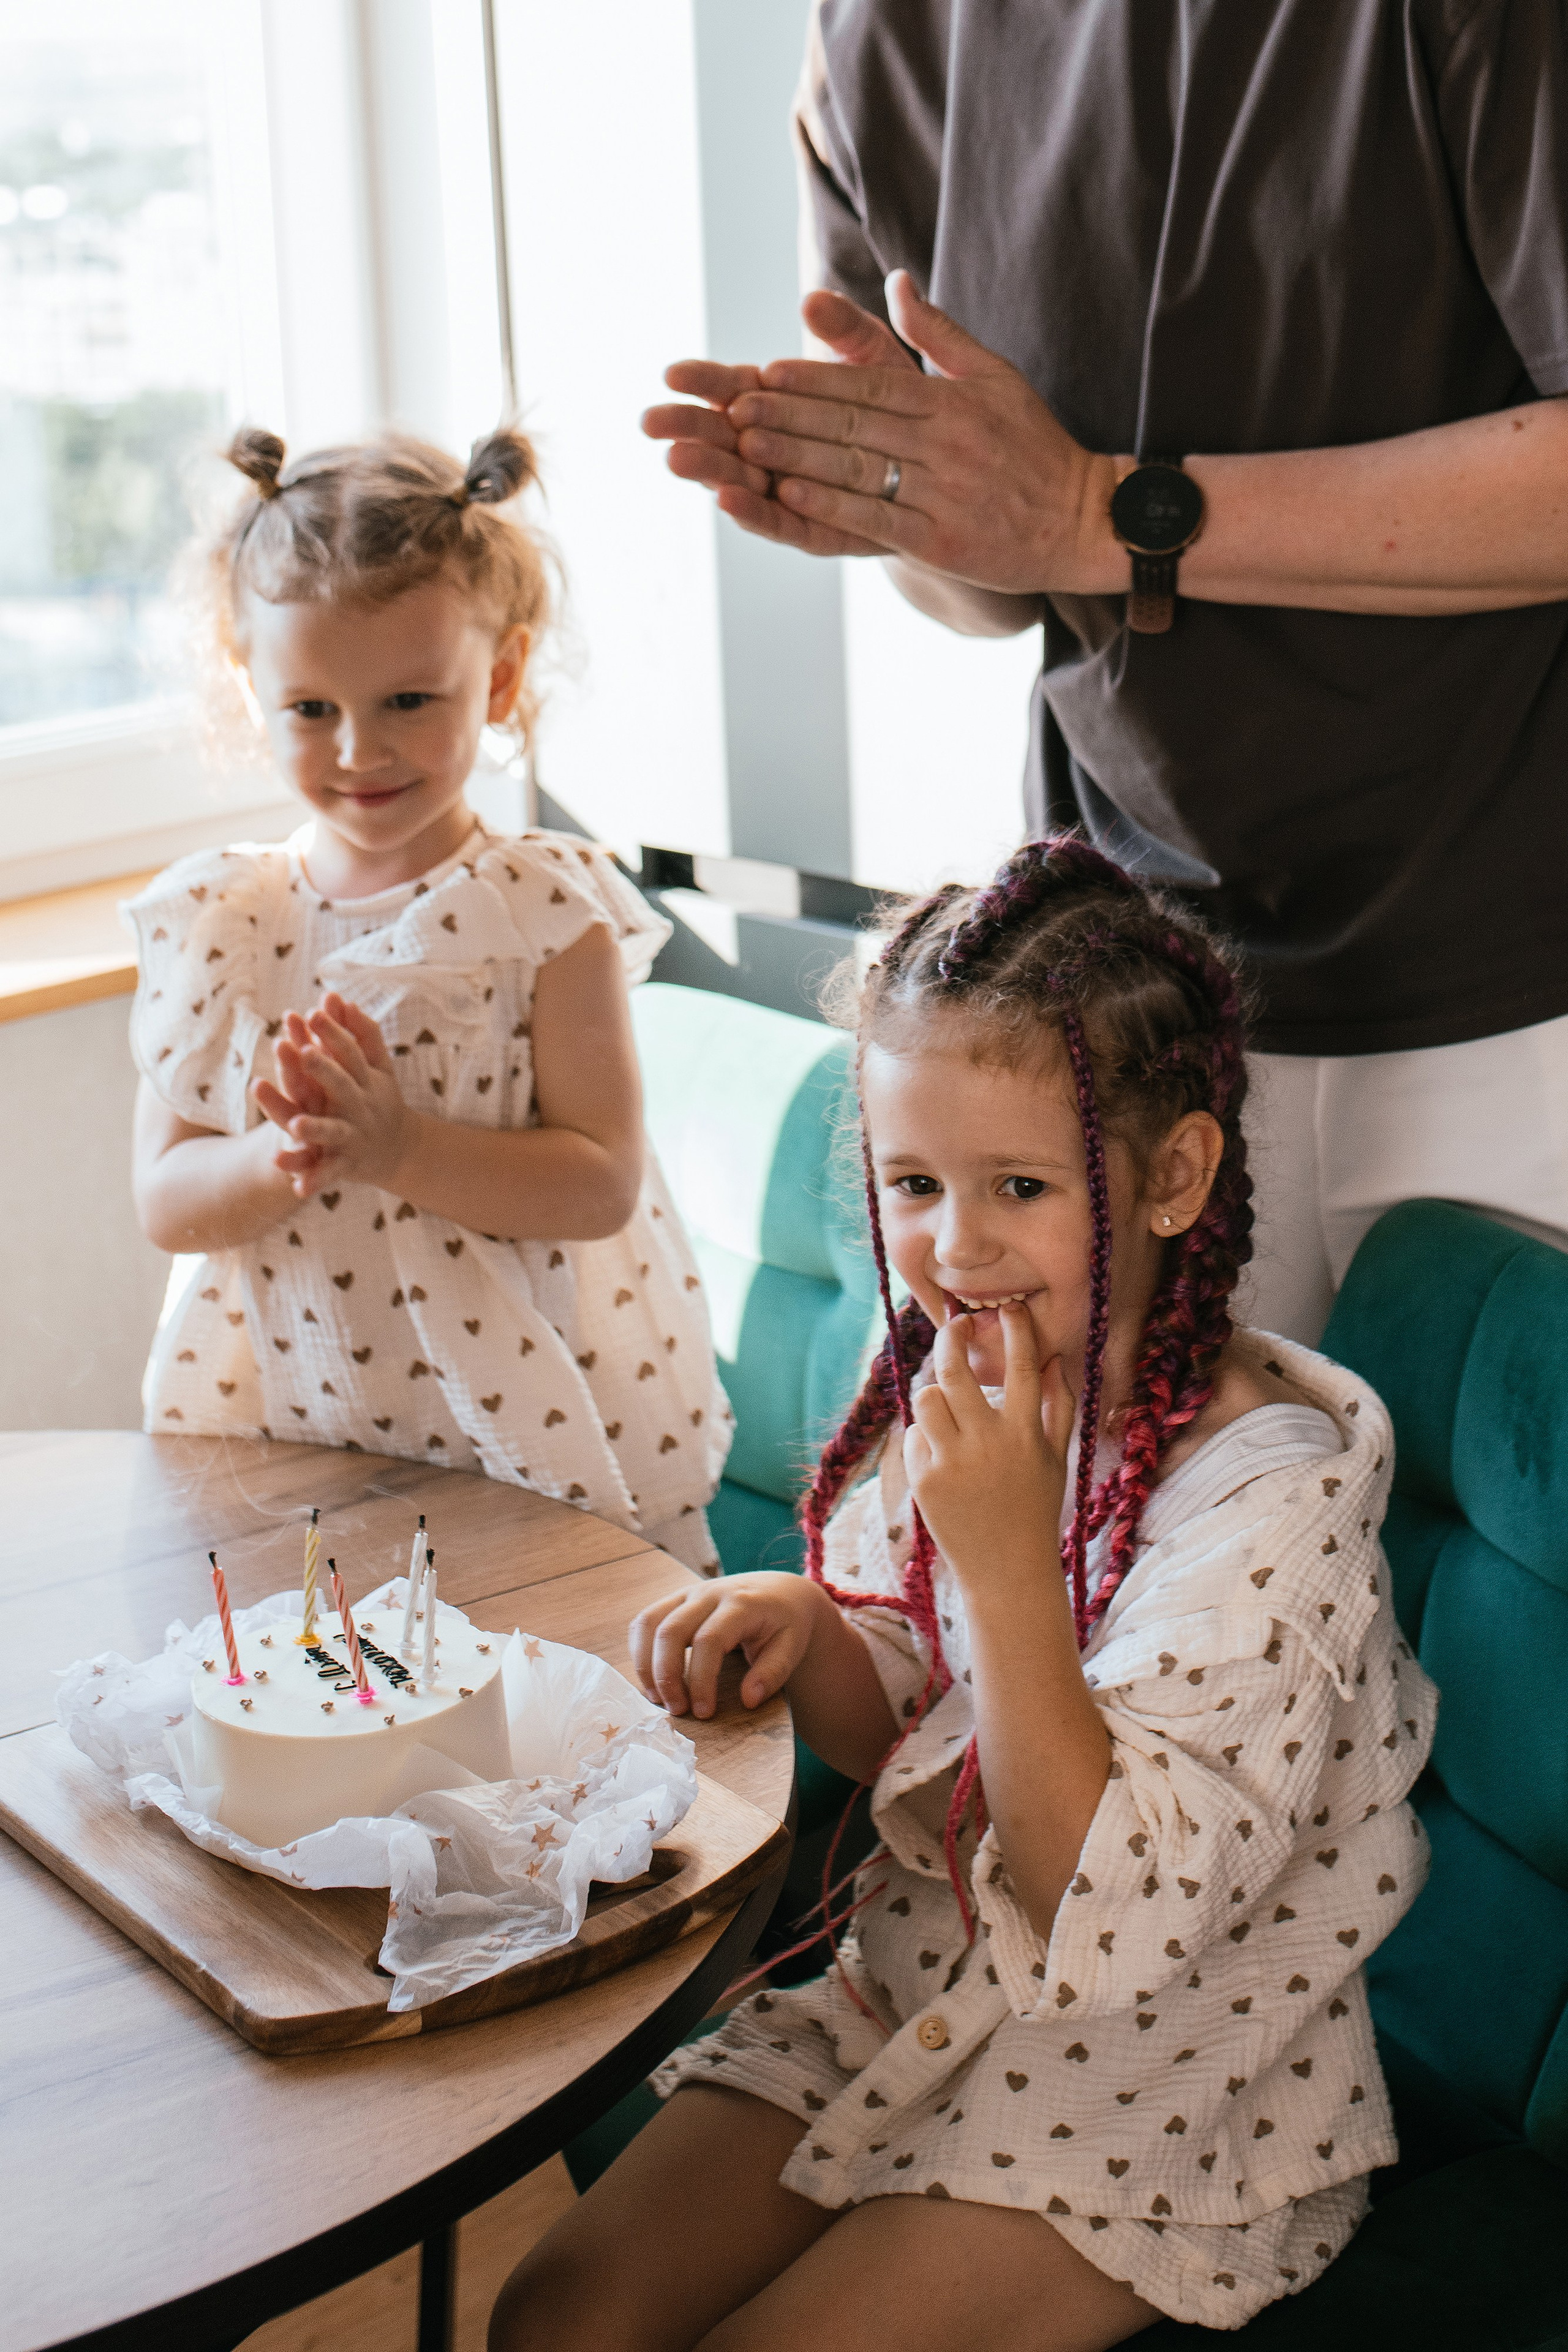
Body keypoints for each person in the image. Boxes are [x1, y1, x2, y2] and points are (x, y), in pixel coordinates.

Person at [488, 839, 1437, 2348]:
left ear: (1174, 1174)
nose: (955, 1245)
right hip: (915, 1996)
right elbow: (918, 1743)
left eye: (1019, 1186)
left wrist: (1003, 1567)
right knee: (557, 2316)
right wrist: (810, 1636)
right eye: (913, 1184)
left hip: (1160, 2093)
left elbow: (1096, 1911)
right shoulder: (971, 1384)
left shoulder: (1270, 1506)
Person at [643, 0, 1568, 1345]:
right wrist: (911, 513)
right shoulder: (873, 39)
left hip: (1507, 975)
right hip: (1131, 1005)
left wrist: (1098, 510)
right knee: (1179, 1550)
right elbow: (987, 586)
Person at [127, 426, 728, 1574]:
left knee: (551, 1708)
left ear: (497, 678)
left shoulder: (540, 912)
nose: (360, 749)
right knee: (332, 1705)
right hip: (293, 1421)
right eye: (310, 709)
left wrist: (396, 1145)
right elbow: (165, 1197)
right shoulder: (223, 923)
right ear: (247, 677)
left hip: (521, 1427)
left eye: (409, 698)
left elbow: (597, 1181)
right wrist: (283, 1158)